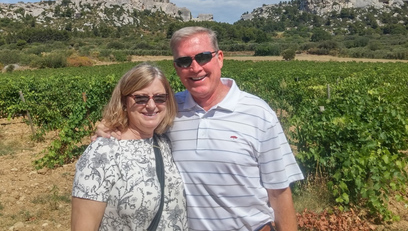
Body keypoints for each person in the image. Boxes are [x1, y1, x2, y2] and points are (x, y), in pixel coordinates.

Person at [97, 26, 304, 231]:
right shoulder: (167, 111)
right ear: (176, 67)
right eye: (184, 61)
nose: (195, 68)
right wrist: (110, 128)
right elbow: (133, 125)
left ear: (220, 58)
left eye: (203, 57)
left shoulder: (258, 113)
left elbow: (279, 193)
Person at [71, 63, 188, 231]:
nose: (151, 105)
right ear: (124, 101)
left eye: (160, 98)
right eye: (140, 98)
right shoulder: (102, 153)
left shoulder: (164, 142)